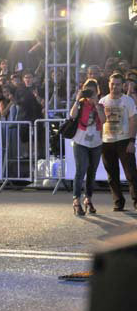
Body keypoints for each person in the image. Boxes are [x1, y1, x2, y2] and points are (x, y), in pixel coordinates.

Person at [99, 73, 137, 211]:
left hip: (124, 141)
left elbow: (134, 121)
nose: (114, 87)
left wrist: (132, 141)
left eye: (118, 84)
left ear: (123, 85)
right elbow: (99, 123)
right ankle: (118, 202)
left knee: (131, 174)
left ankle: (136, 201)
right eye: (112, 83)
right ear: (109, 83)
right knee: (112, 175)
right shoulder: (102, 101)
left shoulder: (128, 101)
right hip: (106, 142)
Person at [69, 80, 106, 215]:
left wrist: (96, 104)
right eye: (87, 91)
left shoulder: (100, 105)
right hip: (80, 141)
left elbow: (103, 120)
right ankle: (76, 201)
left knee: (92, 172)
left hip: (96, 142)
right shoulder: (80, 104)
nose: (90, 95)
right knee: (81, 170)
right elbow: (72, 116)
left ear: (97, 92)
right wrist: (77, 99)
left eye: (93, 92)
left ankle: (88, 199)